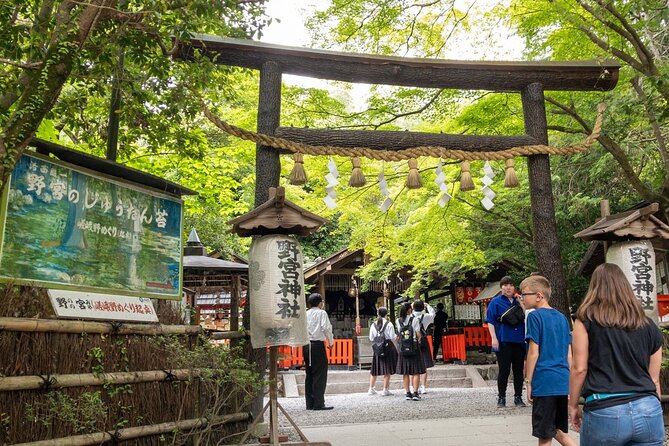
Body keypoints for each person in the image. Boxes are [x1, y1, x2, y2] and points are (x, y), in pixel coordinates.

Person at [568, 263, 664, 445]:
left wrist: (573, 405)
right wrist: (654, 411)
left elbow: (579, 368)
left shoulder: (586, 319)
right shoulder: (648, 325)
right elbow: (654, 380)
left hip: (605, 408)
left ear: (594, 287)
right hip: (648, 407)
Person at [520, 275, 576, 446]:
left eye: (524, 294)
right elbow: (569, 354)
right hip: (561, 380)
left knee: (544, 435)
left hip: (545, 381)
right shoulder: (562, 318)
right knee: (557, 430)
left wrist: (528, 381)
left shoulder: (534, 317)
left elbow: (533, 352)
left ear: (538, 295)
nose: (522, 299)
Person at [485, 276, 527, 407]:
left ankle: (518, 397)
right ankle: (501, 397)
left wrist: (521, 302)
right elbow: (490, 321)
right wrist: (493, 338)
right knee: (504, 370)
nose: (508, 287)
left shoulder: (518, 301)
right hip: (503, 339)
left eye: (511, 285)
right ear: (501, 287)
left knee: (519, 369)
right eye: (505, 285)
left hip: (519, 339)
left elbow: (528, 315)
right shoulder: (495, 302)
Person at [304, 293, 334, 410]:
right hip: (317, 345)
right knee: (319, 374)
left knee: (309, 374)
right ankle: (318, 403)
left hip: (306, 345)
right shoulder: (321, 313)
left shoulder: (305, 314)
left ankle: (309, 403)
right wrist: (330, 342)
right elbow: (326, 328)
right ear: (320, 303)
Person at [396, 302, 426, 401]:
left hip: (403, 347)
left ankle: (408, 393)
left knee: (406, 372)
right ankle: (415, 393)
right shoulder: (415, 320)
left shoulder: (398, 321)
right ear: (409, 310)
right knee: (416, 371)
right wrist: (420, 339)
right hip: (413, 347)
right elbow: (418, 334)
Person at [368, 307, 398, 396]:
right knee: (387, 368)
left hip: (378, 346)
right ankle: (385, 389)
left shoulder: (373, 324)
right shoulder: (389, 324)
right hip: (388, 347)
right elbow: (392, 337)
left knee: (375, 369)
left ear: (378, 314)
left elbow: (371, 338)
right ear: (386, 314)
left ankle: (371, 388)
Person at [413, 299, 435, 394]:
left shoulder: (410, 316)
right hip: (423, 340)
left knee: (413, 363)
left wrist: (411, 306)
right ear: (423, 307)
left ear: (413, 307)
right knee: (424, 363)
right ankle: (423, 386)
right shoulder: (426, 316)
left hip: (413, 341)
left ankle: (412, 386)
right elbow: (433, 314)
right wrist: (427, 306)